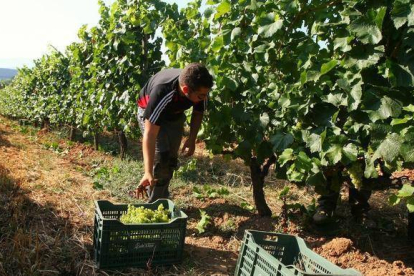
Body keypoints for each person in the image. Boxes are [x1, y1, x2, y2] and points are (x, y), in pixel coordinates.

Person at [135, 63, 213, 202]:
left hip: (174, 114)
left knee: (171, 159)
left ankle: (162, 196)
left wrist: (192, 138)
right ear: (185, 89)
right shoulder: (163, 92)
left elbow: (197, 113)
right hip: (150, 112)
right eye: (201, 96)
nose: (205, 98)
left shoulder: (199, 89)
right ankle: (155, 202)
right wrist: (147, 172)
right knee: (162, 155)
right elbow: (150, 134)